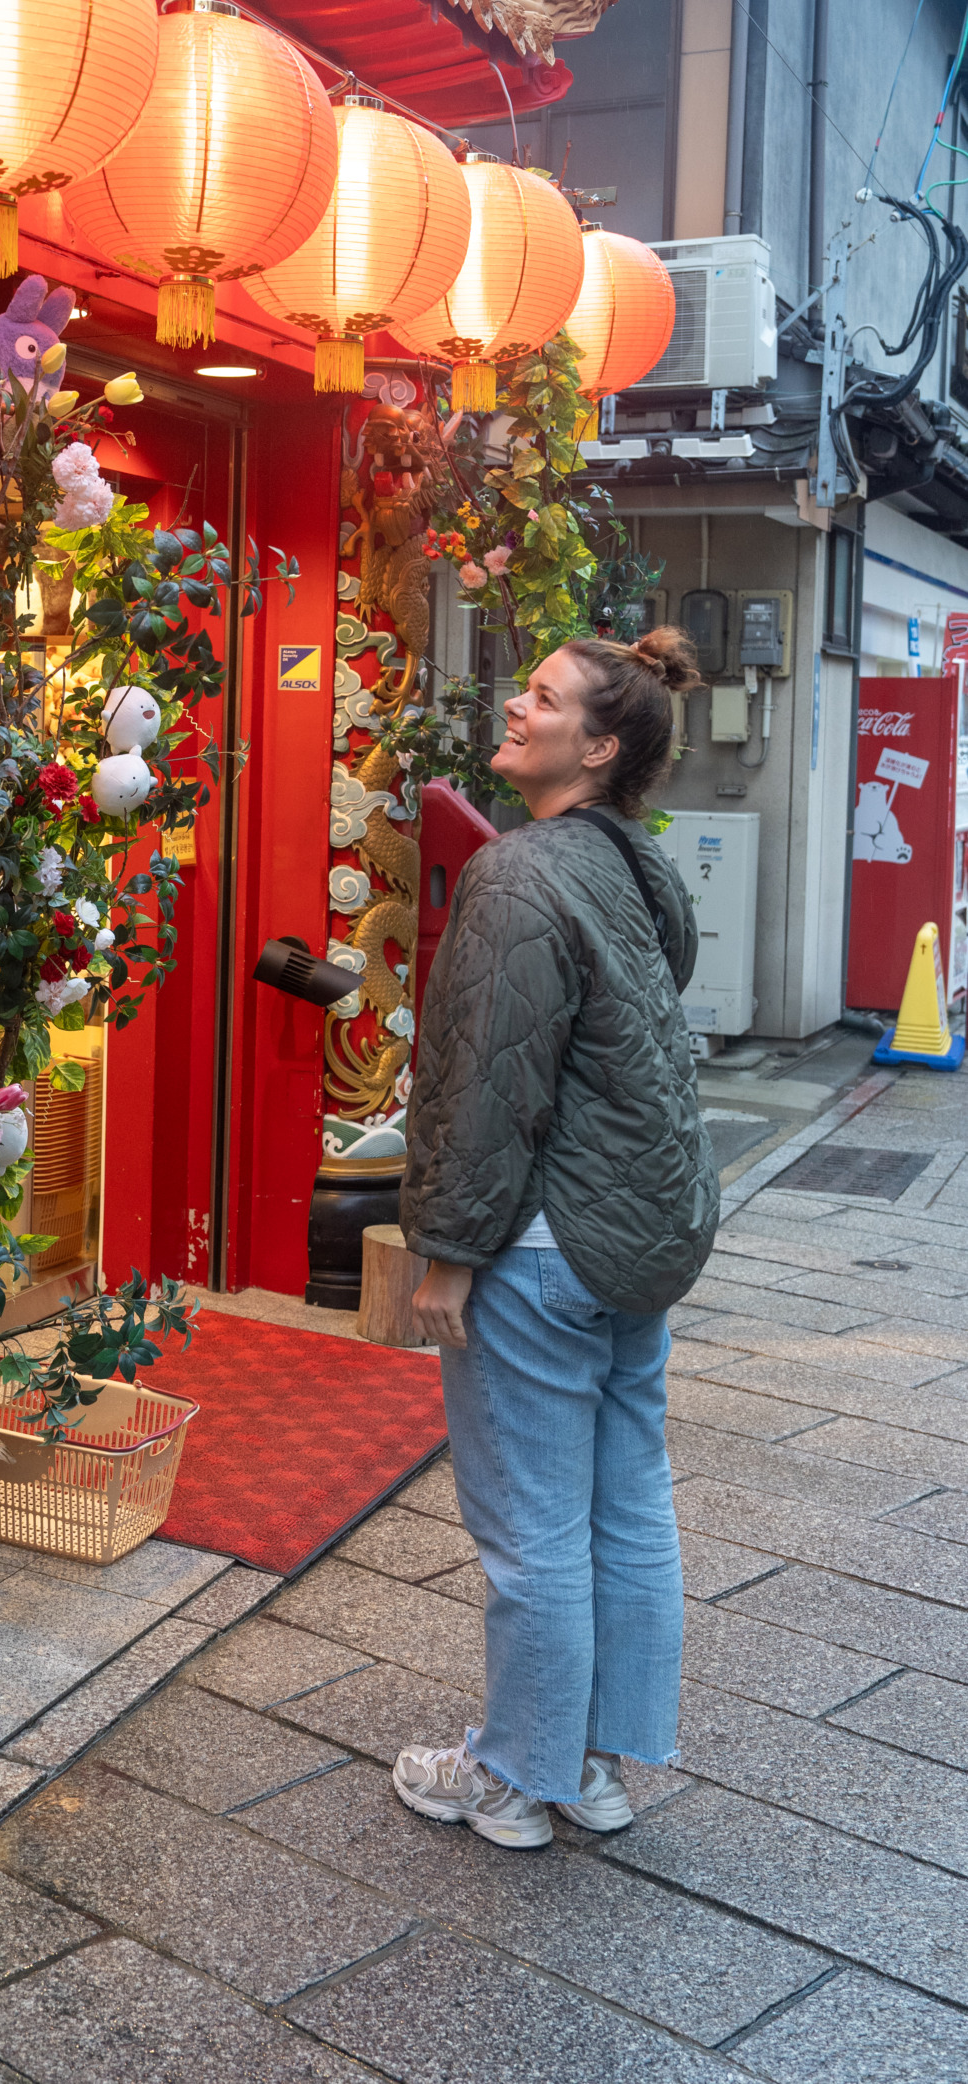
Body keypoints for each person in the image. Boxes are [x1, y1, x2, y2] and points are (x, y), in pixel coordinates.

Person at [391, 627, 717, 1849]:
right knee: (623, 1507)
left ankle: (512, 1779)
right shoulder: (631, 868)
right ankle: (594, 1767)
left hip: (536, 1242)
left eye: (542, 698)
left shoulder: (518, 872)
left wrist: (446, 1248)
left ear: (598, 744)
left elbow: (485, 1081)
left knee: (529, 1527)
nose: (514, 708)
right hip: (635, 1233)